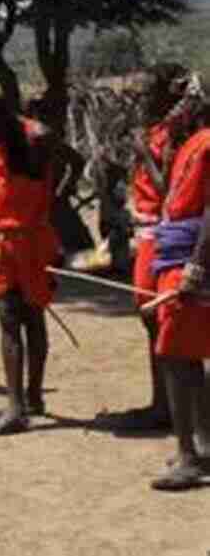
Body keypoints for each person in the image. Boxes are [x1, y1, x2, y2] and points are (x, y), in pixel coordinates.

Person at [0, 95, 79, 436]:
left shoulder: (40, 136)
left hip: (34, 238)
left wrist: (57, 200)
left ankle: (32, 397)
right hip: (0, 238)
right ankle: (17, 404)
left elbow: (76, 161)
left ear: (8, 117)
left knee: (33, 316)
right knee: (7, 317)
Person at [107, 63, 190, 431]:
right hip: (145, 232)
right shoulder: (157, 130)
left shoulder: (176, 134)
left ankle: (174, 409)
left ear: (166, 93)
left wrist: (143, 153)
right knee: (150, 321)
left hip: (162, 233)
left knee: (160, 322)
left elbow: (172, 191)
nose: (139, 97)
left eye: (146, 90)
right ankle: (163, 404)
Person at [148, 74, 210, 489]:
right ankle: (202, 445)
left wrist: (196, 266)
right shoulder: (191, 143)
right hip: (177, 252)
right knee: (185, 356)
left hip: (190, 258)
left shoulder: (207, 143)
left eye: (181, 102)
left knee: (175, 355)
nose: (173, 110)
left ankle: (187, 454)